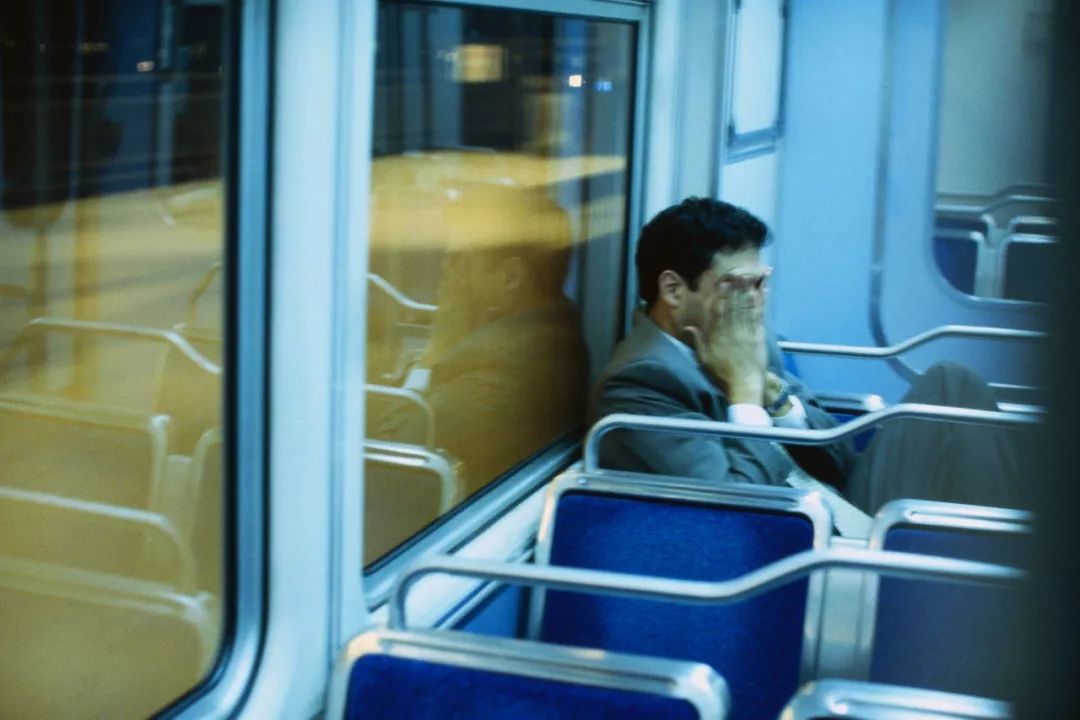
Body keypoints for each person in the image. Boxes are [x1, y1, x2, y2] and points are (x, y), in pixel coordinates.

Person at [592, 197, 1026, 516]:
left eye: (761, 283)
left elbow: (839, 457)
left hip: (838, 497)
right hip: (797, 535)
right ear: (673, 290)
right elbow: (734, 504)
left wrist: (775, 399)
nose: (755, 301)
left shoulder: (747, 336)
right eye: (738, 286)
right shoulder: (639, 383)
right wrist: (744, 391)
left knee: (951, 384)